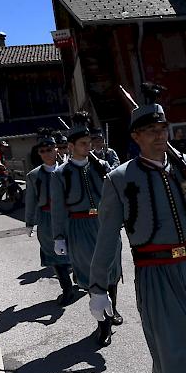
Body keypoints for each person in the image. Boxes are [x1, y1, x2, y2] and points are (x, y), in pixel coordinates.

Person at [89, 102, 186, 373]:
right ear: (136, 137)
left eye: (162, 129)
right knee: (179, 351)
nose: (159, 136)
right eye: (150, 131)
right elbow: (106, 237)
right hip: (157, 274)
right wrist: (98, 286)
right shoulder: (119, 179)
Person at [50, 112, 122, 347]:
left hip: (104, 223)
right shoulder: (61, 174)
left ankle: (113, 310)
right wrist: (59, 236)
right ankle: (103, 324)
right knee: (92, 274)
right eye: (83, 144)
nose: (88, 147)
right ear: (71, 146)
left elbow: (118, 193)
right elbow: (58, 208)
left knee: (111, 269)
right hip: (79, 227)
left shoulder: (101, 166)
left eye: (89, 143)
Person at [25, 131, 75, 305]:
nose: (47, 153)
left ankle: (82, 278)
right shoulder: (33, 175)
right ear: (39, 153)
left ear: (56, 149)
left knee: (77, 249)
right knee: (54, 254)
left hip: (70, 216)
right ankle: (67, 289)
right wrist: (29, 222)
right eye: (42, 150)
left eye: (50, 149)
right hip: (46, 219)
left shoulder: (69, 169)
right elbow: (30, 200)